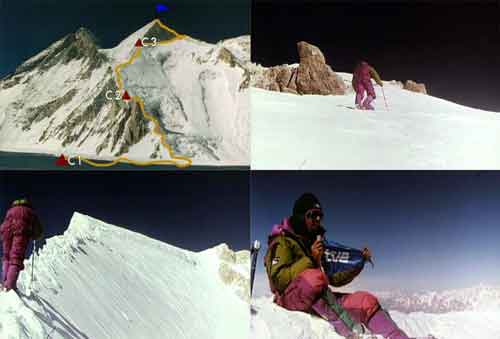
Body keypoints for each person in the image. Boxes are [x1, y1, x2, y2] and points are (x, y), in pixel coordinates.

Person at [264, 193, 414, 339]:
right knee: (314, 278)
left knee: (366, 301)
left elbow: (333, 278)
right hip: (289, 299)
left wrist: (359, 263)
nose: (317, 219)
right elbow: (278, 280)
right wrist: (310, 258)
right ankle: (353, 333)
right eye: (313, 214)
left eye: (320, 216)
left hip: (322, 299)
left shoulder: (317, 243)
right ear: (301, 216)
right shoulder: (282, 242)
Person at [1, 198, 43, 292]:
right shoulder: (30, 211)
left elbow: (5, 224)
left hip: (6, 233)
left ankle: (4, 282)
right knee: (16, 257)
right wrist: (35, 235)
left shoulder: (10, 211)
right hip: (20, 231)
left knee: (6, 257)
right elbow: (38, 230)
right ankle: (9, 286)